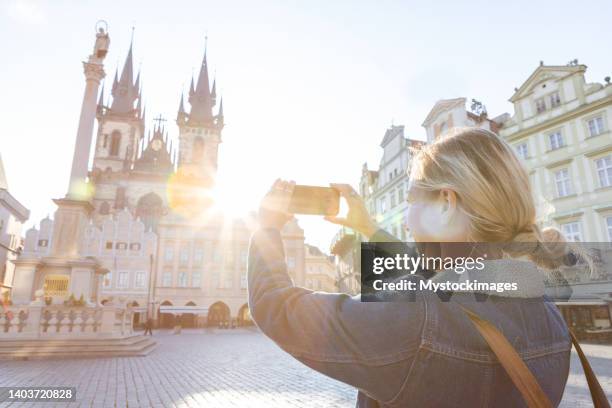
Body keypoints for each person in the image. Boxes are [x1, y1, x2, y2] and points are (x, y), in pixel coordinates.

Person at [248, 128, 574, 407]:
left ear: (446, 203)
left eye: (410, 201)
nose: (406, 217)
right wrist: (368, 227)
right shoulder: (550, 316)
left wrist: (266, 227)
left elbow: (275, 306)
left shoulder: (416, 319)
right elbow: (437, 283)